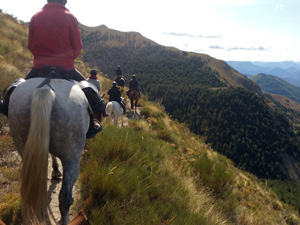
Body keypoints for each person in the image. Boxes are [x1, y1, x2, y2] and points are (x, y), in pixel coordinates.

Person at [0, 0, 101, 138]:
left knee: (14, 90)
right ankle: (91, 127)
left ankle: (6, 109)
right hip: (66, 68)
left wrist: (42, 56)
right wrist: (67, 57)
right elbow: (77, 47)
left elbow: (31, 45)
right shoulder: (70, 17)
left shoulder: (36, 16)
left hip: (39, 67)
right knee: (92, 94)